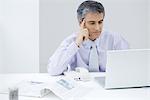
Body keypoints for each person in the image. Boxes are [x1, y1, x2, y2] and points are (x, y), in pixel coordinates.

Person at [47, 0, 129, 75]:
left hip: (107, 87)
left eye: (100, 22)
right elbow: (53, 70)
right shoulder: (71, 41)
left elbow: (129, 66)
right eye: (92, 23)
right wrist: (76, 44)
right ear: (81, 23)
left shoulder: (114, 39)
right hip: (80, 86)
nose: (97, 28)